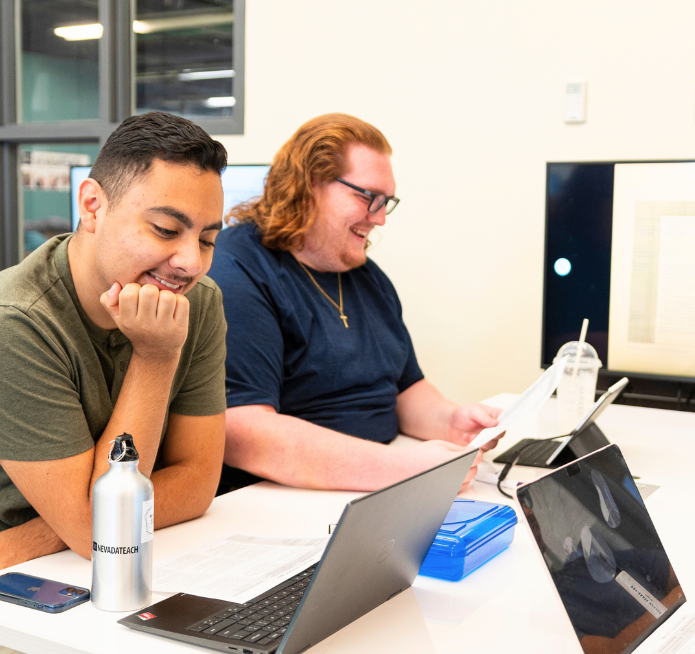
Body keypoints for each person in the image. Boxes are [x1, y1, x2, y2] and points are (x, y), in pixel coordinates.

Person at [0, 112, 229, 654]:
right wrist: (155, 357)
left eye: (207, 239)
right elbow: (99, 531)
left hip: (92, 573)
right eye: (167, 230)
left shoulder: (197, 303)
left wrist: (38, 536)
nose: (190, 262)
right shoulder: (11, 322)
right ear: (92, 205)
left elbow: (197, 482)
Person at [209, 113, 502, 495]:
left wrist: (453, 420)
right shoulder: (237, 270)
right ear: (309, 185)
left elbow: (404, 389)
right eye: (368, 197)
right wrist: (406, 470)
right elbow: (244, 431)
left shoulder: (366, 276)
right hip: (277, 496)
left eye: (387, 202)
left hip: (371, 482)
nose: (379, 218)